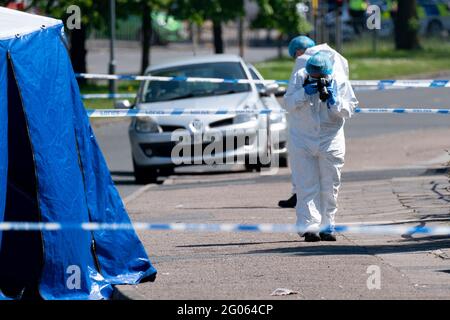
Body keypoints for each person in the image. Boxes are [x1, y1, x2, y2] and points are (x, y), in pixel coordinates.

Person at [283, 51, 358, 242]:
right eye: (314, 77)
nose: (318, 80)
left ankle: (327, 226)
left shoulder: (339, 81)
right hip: (302, 138)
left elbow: (349, 109)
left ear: (328, 72)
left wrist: (334, 100)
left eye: (321, 77)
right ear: (308, 72)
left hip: (330, 138)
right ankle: (310, 227)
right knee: (306, 184)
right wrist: (303, 93)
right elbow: (288, 103)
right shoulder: (300, 77)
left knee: (330, 184)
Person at [278, 35, 316, 209]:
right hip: (323, 122)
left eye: (294, 54)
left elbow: (292, 95)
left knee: (299, 159)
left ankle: (298, 193)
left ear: (299, 51)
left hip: (302, 120)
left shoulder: (302, 61)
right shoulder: (328, 59)